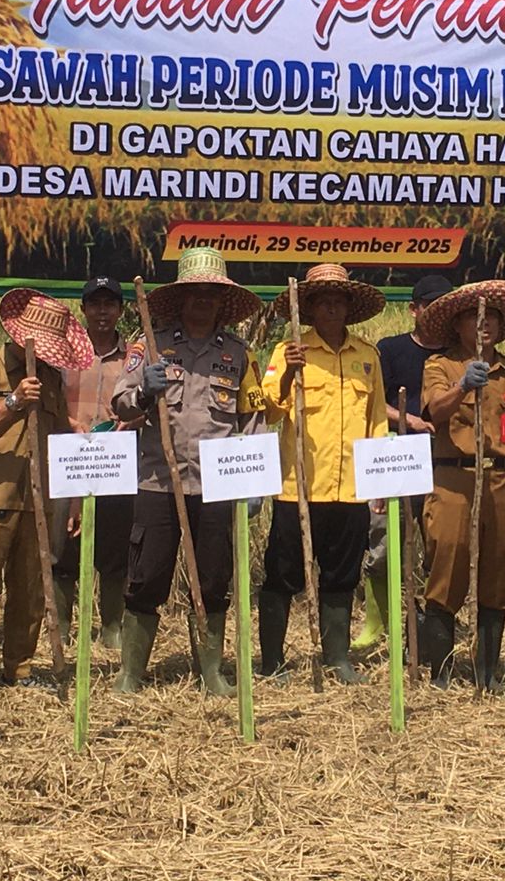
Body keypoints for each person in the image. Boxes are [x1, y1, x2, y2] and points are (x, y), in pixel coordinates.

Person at [110, 249, 266, 695]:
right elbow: (119, 403)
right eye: (194, 293)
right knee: (146, 575)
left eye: (211, 294)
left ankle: (211, 670)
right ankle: (131, 672)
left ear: (222, 302)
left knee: (215, 578)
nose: (202, 301)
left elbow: (251, 419)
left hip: (217, 485)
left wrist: (252, 486)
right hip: (158, 480)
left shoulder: (238, 354)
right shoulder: (150, 345)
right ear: (180, 299)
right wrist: (144, 389)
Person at [0, 289, 92, 712]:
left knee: (29, 589)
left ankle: (19, 667)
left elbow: (52, 430)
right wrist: (12, 404)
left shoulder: (50, 378)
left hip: (37, 499)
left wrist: (75, 432)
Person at [260, 263, 389, 684]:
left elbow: (377, 423)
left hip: (350, 489)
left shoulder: (367, 357)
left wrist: (377, 482)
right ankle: (273, 661)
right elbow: (269, 409)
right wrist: (290, 376)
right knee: (283, 575)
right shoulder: (289, 351)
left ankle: (337, 657)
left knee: (342, 575)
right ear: (310, 309)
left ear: (349, 308)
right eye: (323, 302)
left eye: (339, 301)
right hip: (297, 488)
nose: (332, 309)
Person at [416, 279, 505, 691]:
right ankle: (442, 673)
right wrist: (463, 385)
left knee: (499, 573)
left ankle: (487, 673)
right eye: (475, 316)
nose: (485, 325)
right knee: (447, 568)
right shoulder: (441, 366)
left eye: (494, 318)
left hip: (503, 479)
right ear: (458, 324)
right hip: (454, 478)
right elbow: (435, 410)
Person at [357, 272, 454, 650]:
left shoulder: (455, 354)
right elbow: (369, 400)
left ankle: (430, 631)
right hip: (395, 457)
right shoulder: (390, 349)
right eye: (429, 306)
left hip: (442, 461)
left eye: (443, 307)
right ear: (414, 310)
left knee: (438, 546)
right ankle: (376, 625)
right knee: (384, 542)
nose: (436, 314)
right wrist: (409, 419)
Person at [53, 275, 136, 650]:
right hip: (69, 459)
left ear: (120, 310)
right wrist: (64, 421)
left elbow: (143, 401)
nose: (102, 312)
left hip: (115, 462)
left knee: (114, 550)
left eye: (110, 304)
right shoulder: (62, 353)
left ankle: (112, 627)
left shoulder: (135, 355)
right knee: (63, 547)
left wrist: (133, 419)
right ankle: (64, 625)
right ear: (83, 309)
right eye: (95, 304)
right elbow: (48, 398)